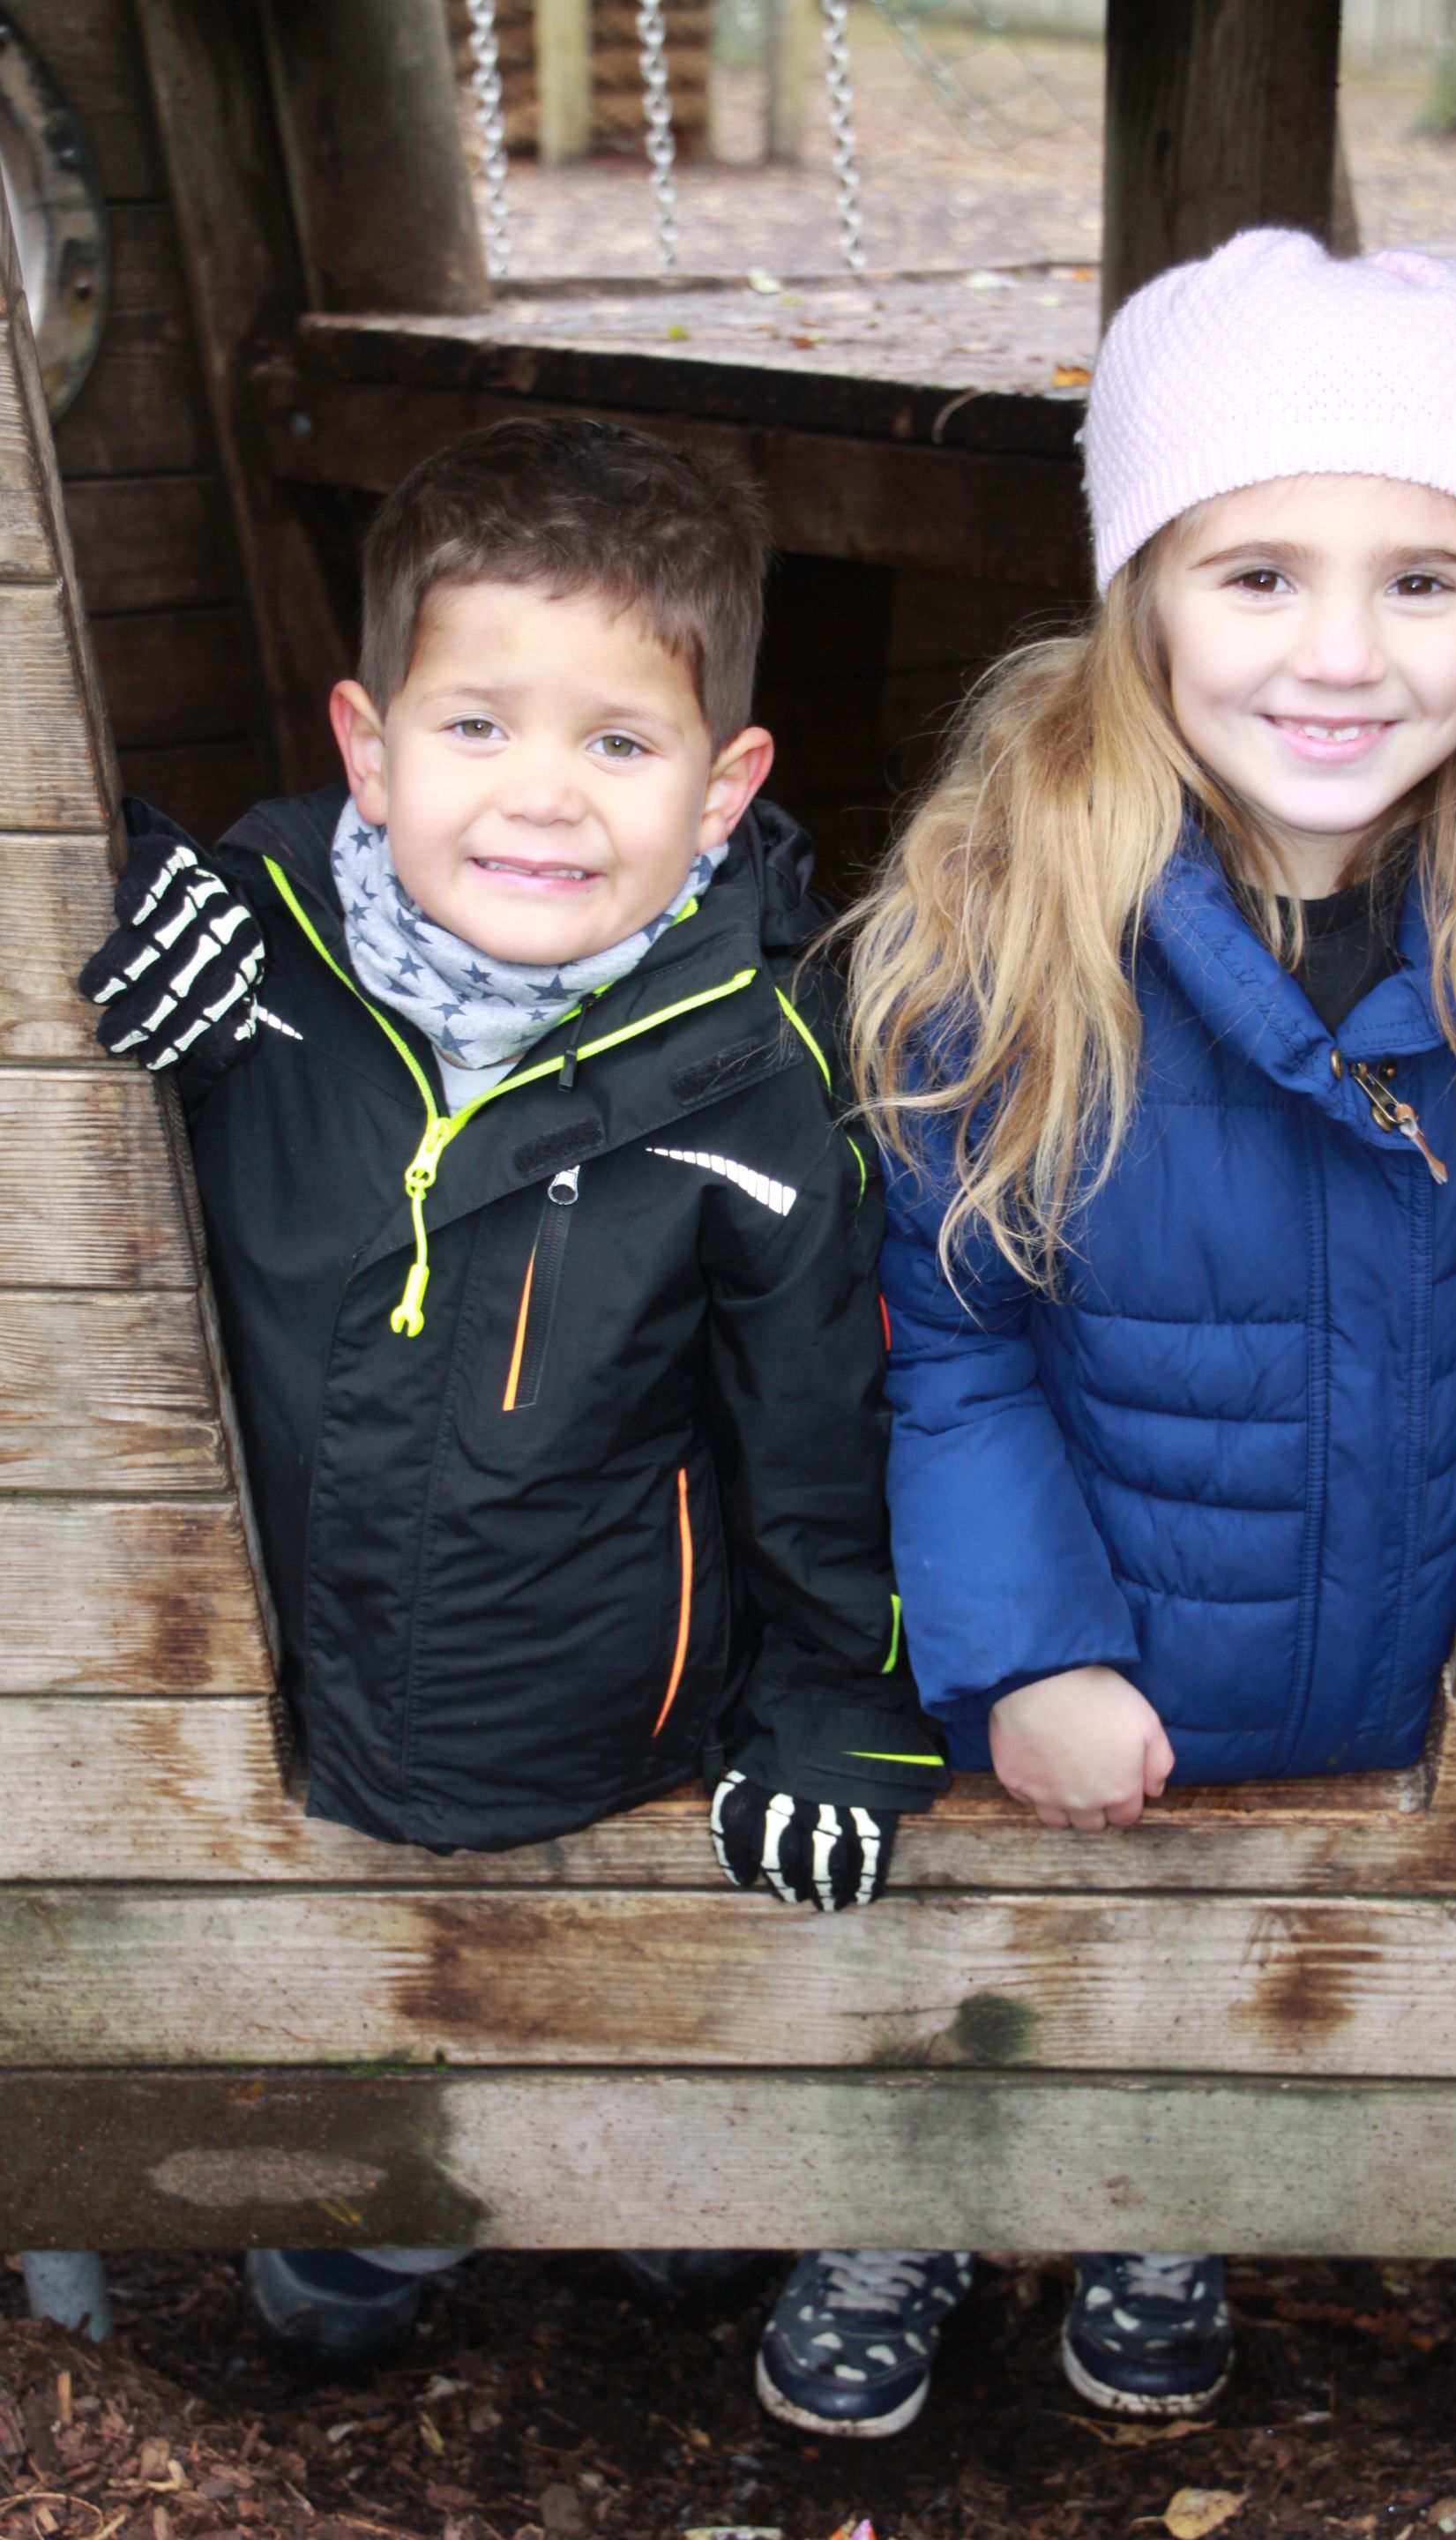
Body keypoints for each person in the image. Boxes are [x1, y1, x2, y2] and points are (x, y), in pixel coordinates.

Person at [750, 228, 1456, 2439]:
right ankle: (903, 2197)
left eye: (1423, 581)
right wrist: (1026, 1657)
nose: (1341, 653)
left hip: (1393, 1665)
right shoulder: (1005, 932)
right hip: (1104, 1654)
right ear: (1143, 597)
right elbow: (952, 1341)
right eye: (1259, 576)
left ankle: (1165, 2208)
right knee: (983, 1982)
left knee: (1222, 2008)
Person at [78, 415, 947, 2359]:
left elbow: (822, 1434)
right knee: (334, 2007)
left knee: (611, 2004)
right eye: (476, 725)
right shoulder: (249, 970)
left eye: (619, 743)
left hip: (600, 1706)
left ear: (723, 790)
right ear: (368, 745)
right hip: (273, 1675)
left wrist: (839, 1701)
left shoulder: (755, 1079)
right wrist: (125, 875)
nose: (542, 794)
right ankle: (386, 2209)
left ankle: (630, 2183)